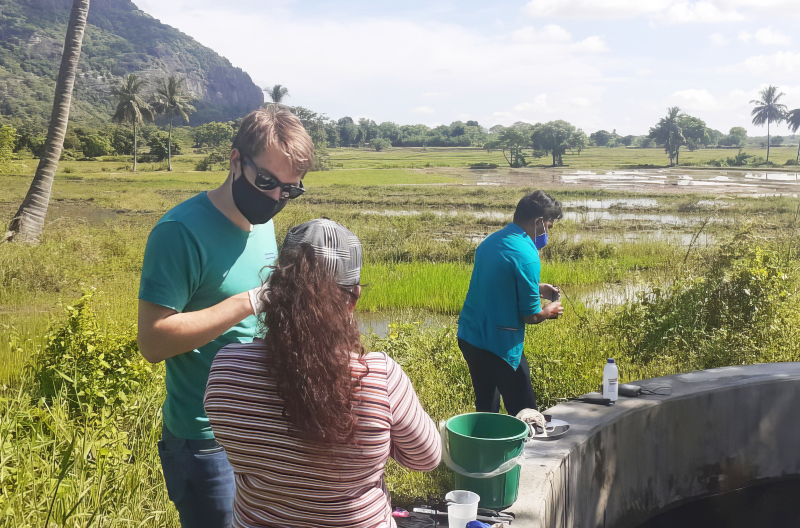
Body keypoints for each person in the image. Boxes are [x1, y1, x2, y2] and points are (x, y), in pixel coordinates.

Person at [137, 107, 314, 528]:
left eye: (289, 190)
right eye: (266, 182)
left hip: (261, 428)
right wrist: (249, 301)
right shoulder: (180, 232)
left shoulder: (263, 224)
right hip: (205, 441)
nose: (275, 199)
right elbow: (153, 341)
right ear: (235, 161)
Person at [204, 218, 441, 528]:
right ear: (353, 298)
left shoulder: (227, 370)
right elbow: (426, 458)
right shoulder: (379, 378)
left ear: (274, 291)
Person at [457, 190, 564, 417]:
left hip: (470, 337)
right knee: (526, 412)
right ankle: (530, 450)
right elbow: (530, 316)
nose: (547, 234)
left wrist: (537, 288)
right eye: (549, 227)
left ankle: (485, 448)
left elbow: (497, 286)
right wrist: (549, 311)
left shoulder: (491, 241)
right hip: (500, 344)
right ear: (538, 222)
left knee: (487, 407)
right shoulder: (527, 253)